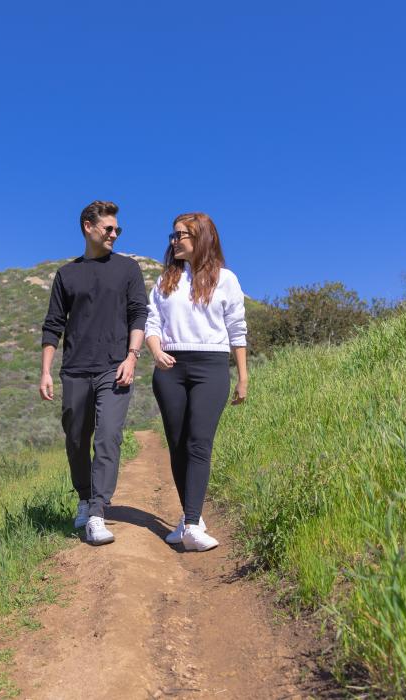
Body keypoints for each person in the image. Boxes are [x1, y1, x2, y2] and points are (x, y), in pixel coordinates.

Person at [40, 200, 148, 546]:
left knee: (108, 437)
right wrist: (45, 371)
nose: (114, 234)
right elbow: (53, 325)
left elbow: (138, 315)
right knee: (75, 439)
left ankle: (98, 512)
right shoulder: (67, 275)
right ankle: (85, 497)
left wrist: (132, 357)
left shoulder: (128, 269)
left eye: (118, 229)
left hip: (114, 367)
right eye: (109, 228)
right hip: (74, 370)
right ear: (88, 227)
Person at [144, 212, 248, 552]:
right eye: (172, 236)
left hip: (211, 366)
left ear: (201, 238)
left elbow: (237, 328)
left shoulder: (227, 279)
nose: (173, 241)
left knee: (198, 442)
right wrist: (156, 351)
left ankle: (191, 524)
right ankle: (192, 516)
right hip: (169, 367)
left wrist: (242, 376)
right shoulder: (164, 281)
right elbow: (152, 323)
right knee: (177, 443)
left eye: (180, 235)